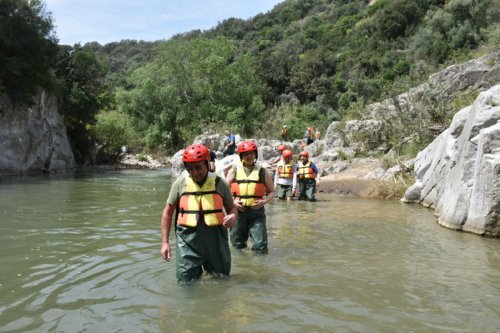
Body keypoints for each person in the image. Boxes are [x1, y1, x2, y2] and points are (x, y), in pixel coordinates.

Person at [160, 144, 238, 283]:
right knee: (186, 284)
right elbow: (167, 213)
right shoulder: (179, 184)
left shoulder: (220, 184)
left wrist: (233, 216)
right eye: (190, 168)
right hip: (187, 243)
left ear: (207, 164)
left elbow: (232, 208)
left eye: (198, 167)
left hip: (216, 242)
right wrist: (165, 242)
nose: (195, 173)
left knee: (221, 282)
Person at [226, 141, 275, 253]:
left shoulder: (262, 171)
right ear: (241, 156)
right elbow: (224, 190)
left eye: (251, 153)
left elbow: (272, 191)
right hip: (238, 212)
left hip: (256, 213)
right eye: (245, 154)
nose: (249, 156)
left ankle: (259, 268)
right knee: (237, 246)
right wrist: (233, 202)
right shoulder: (234, 170)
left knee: (260, 246)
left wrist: (264, 201)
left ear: (255, 154)